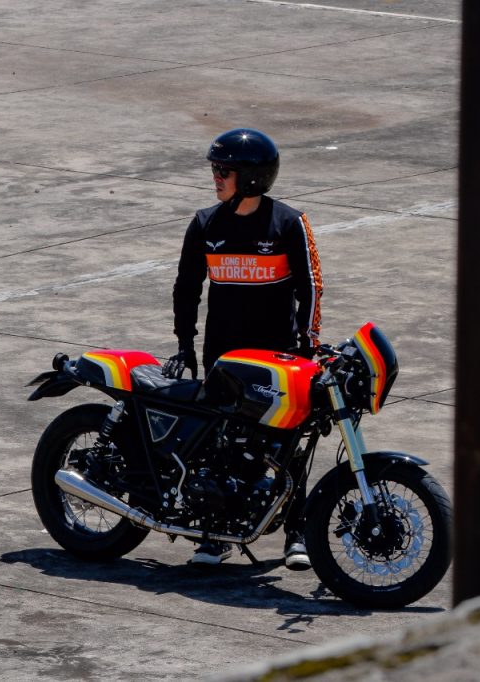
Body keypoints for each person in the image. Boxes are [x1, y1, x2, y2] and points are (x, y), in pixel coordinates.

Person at [163, 128, 323, 570]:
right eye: (215, 169)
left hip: (279, 359)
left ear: (251, 177)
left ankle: (296, 533)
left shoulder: (289, 223)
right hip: (224, 360)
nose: (215, 177)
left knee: (288, 446)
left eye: (223, 170)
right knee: (219, 443)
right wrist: (185, 345)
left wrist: (308, 347)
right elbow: (186, 289)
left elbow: (311, 287)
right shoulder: (205, 224)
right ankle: (215, 535)